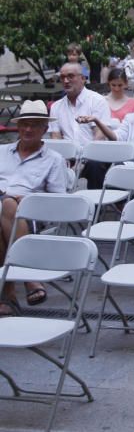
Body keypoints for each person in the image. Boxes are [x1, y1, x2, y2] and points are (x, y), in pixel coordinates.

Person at [0, 101, 70, 316]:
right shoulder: (1, 152)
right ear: (18, 127)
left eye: (35, 125)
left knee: (10, 204)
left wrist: (29, 199)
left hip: (32, 216)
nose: (28, 129)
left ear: (45, 130)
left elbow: (59, 201)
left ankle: (7, 294)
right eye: (24, 124)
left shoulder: (53, 160)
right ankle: (27, 279)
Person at [48, 63, 112, 188]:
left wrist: (83, 159)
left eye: (71, 76)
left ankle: (95, 204)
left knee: (95, 164)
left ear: (83, 78)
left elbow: (99, 137)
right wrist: (63, 158)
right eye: (62, 77)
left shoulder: (97, 101)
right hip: (68, 156)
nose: (66, 81)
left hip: (92, 155)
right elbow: (56, 137)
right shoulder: (56, 106)